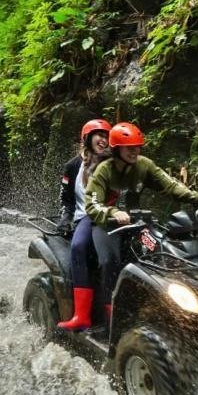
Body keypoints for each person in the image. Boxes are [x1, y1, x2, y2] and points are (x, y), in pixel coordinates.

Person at [85, 122, 198, 322]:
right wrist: (113, 212)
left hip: (137, 223)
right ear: (116, 149)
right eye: (129, 148)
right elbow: (92, 203)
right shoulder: (104, 169)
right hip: (107, 225)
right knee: (108, 260)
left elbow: (171, 185)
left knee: (161, 252)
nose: (135, 151)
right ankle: (109, 313)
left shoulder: (144, 165)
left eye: (137, 147)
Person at [56, 118, 113, 331]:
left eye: (107, 136)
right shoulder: (72, 166)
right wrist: (65, 219)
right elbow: (67, 200)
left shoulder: (113, 163)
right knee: (78, 246)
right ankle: (81, 315)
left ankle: (113, 313)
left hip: (111, 216)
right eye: (99, 135)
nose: (103, 140)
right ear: (87, 138)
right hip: (86, 217)